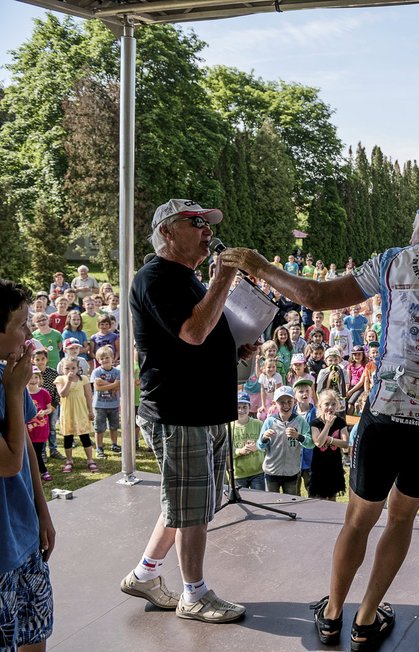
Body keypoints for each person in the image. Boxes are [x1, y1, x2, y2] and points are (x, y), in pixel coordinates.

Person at [221, 196, 419, 649]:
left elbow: (316, 296)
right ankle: (366, 620)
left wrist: (260, 266)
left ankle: (333, 614)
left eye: (416, 224)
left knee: (358, 520)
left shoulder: (394, 260)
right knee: (401, 519)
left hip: (389, 411)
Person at [120, 198, 253, 624]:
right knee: (191, 506)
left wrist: (235, 345)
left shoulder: (187, 279)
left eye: (207, 224)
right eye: (196, 223)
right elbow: (193, 332)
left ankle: (145, 574)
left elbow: (202, 332)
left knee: (189, 500)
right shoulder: (156, 277)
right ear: (167, 233)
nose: (207, 231)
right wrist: (224, 279)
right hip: (179, 413)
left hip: (201, 409)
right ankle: (194, 595)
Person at [0, 279, 56, 652]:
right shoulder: (11, 383)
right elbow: (8, 463)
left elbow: (29, 455)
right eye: (21, 324)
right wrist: (14, 391)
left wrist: (42, 511)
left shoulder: (6, 373)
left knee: (36, 632)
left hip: (23, 533)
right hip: (1, 550)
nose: (28, 333)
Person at [257, 385, 314, 495]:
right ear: (275, 403)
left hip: (291, 472)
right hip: (272, 472)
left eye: (289, 401)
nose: (286, 405)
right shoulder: (269, 422)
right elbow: (260, 446)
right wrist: (264, 438)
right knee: (272, 503)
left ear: (294, 401)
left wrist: (299, 436)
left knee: (291, 505)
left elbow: (310, 443)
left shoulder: (300, 421)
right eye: (281, 402)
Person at [91, 345, 121, 459]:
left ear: (112, 358)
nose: (104, 360)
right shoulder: (96, 372)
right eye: (102, 358)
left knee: (114, 426)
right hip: (99, 405)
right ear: (98, 360)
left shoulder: (117, 372)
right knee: (99, 428)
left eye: (107, 357)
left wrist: (104, 383)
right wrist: (112, 385)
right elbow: (97, 388)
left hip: (113, 404)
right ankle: (99, 447)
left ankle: (114, 444)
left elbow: (118, 387)